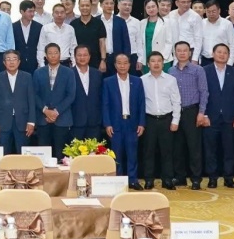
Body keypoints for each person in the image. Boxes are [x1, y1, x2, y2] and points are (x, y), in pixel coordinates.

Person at [200, 44, 234, 188]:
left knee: (229, 150)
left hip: (229, 118)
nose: (222, 55)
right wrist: (204, 114)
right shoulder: (204, 71)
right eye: (219, 52)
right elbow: (202, 94)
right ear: (213, 54)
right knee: (210, 150)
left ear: (229, 55)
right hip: (210, 117)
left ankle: (228, 178)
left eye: (225, 52)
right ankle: (212, 178)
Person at [170, 41, 209, 190]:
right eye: (179, 50)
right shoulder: (170, 71)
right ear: (175, 53)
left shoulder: (198, 70)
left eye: (185, 50)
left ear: (190, 53)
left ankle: (196, 179)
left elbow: (204, 92)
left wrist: (201, 113)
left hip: (192, 111)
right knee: (177, 147)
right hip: (175, 112)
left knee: (194, 148)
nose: (182, 53)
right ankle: (180, 177)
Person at [139, 51, 180, 189]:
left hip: (166, 119)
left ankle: (167, 179)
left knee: (167, 151)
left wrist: (175, 121)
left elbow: (176, 101)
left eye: (159, 61)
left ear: (163, 63)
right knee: (148, 151)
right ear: (148, 64)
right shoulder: (142, 80)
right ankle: (148, 179)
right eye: (153, 61)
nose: (156, 64)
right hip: (149, 120)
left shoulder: (171, 79)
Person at [103, 53, 145, 188]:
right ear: (115, 65)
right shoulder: (108, 82)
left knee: (132, 153)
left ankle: (133, 180)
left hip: (132, 123)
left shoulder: (137, 81)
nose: (122, 66)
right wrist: (107, 124)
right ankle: (118, 181)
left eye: (125, 63)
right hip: (115, 123)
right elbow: (105, 104)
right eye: (119, 63)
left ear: (129, 64)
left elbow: (142, 104)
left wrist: (141, 123)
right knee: (116, 154)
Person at [0, 50, 37, 154]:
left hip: (23, 122)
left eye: (14, 59)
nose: (11, 62)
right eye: (8, 59)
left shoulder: (27, 77)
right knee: (3, 155)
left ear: (19, 62)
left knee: (23, 154)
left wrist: (31, 122)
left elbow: (31, 101)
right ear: (4, 62)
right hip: (2, 122)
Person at [32, 43, 77, 151]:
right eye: (50, 53)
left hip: (62, 118)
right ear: (45, 56)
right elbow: (34, 94)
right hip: (43, 119)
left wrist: (56, 112)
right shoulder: (38, 72)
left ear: (60, 54)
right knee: (43, 153)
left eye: (56, 53)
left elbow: (71, 95)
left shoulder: (69, 72)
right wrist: (45, 110)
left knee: (61, 153)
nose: (53, 56)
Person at [70, 46, 104, 141]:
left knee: (94, 150)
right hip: (75, 122)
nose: (82, 57)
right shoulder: (69, 74)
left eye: (85, 55)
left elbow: (101, 98)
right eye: (79, 55)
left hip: (94, 122)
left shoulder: (97, 74)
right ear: (74, 56)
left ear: (89, 56)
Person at [70, 0, 107, 71]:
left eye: (87, 5)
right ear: (79, 7)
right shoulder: (73, 24)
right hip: (78, 60)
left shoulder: (98, 23)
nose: (85, 8)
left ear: (91, 6)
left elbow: (102, 42)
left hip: (95, 60)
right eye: (82, 5)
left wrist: (103, 60)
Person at [12, 1, 44, 74]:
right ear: (22, 12)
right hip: (18, 64)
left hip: (34, 64)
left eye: (33, 11)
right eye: (29, 11)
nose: (32, 14)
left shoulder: (39, 27)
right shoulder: (13, 27)